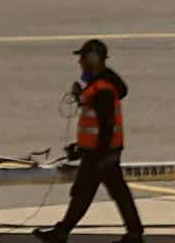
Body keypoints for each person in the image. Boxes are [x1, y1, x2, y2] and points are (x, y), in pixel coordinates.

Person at [35, 39, 143, 243]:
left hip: (101, 153)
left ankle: (62, 233)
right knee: (111, 192)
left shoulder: (102, 89)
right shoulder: (100, 85)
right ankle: (134, 233)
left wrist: (98, 155)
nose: (80, 63)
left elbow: (106, 125)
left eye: (83, 58)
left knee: (84, 192)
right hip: (103, 151)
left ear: (93, 58)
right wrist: (80, 148)